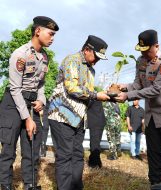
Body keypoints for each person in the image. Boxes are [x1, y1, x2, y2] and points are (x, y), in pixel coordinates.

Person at [115, 29, 161, 188]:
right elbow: (137, 85)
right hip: (151, 118)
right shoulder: (140, 61)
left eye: (147, 50)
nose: (144, 54)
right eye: (141, 50)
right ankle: (155, 184)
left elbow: (156, 89)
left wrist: (129, 96)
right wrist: (123, 87)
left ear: (156, 46)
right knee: (154, 154)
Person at [0, 16, 59, 190]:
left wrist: (41, 99)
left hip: (32, 104)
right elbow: (15, 89)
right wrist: (27, 118)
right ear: (38, 31)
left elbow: (40, 83)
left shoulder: (44, 56)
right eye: (51, 34)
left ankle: (30, 185)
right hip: (12, 104)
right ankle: (5, 186)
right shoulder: (20, 54)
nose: (53, 38)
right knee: (8, 151)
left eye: (54, 35)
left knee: (32, 149)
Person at [48, 35, 110, 190]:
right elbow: (72, 88)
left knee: (77, 155)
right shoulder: (72, 60)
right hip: (62, 115)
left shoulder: (91, 70)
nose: (97, 60)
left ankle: (76, 187)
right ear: (87, 49)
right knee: (65, 156)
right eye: (96, 56)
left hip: (79, 117)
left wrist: (102, 94)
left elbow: (87, 93)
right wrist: (96, 95)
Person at [87, 100, 106, 168]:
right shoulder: (96, 97)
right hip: (98, 122)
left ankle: (94, 163)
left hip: (96, 122)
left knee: (94, 144)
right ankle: (97, 162)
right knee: (96, 143)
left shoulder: (92, 97)